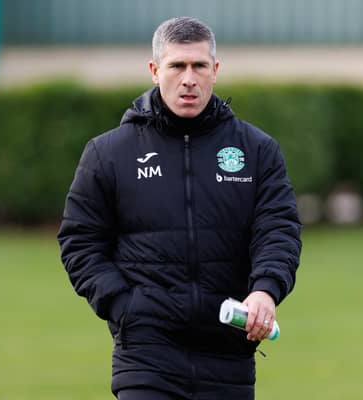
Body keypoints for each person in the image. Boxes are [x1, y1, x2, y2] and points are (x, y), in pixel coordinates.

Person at [57, 16, 301, 400]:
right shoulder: (109, 153)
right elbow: (80, 242)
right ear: (155, 71)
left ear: (215, 71)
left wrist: (265, 291)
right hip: (146, 355)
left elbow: (278, 229)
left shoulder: (257, 151)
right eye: (177, 66)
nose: (189, 78)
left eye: (199, 66)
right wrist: (126, 307)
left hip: (228, 356)